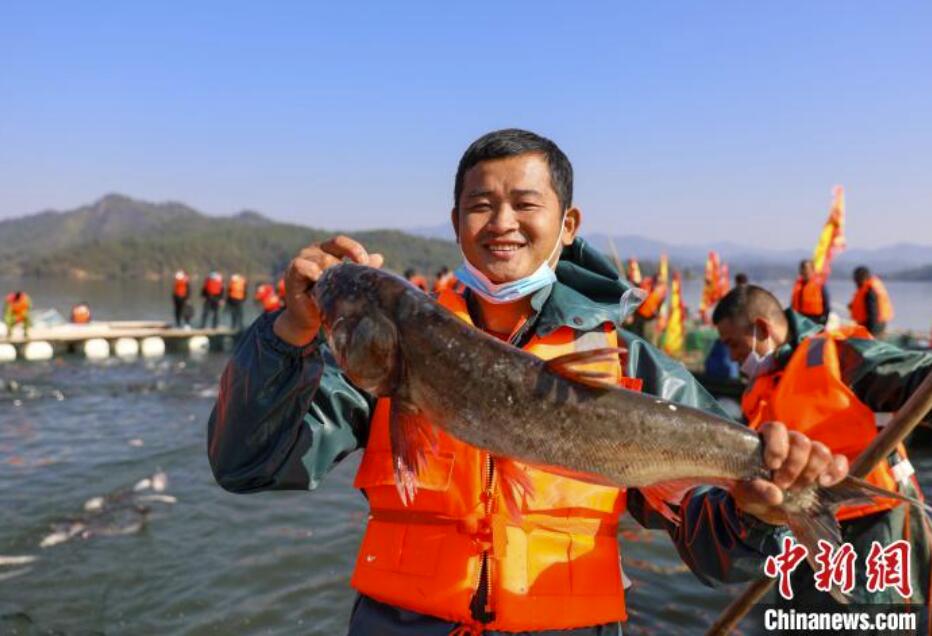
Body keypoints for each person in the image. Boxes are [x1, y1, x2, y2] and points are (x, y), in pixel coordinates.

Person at [208, 129, 850, 635]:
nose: (501, 222)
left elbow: (719, 556)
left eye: (525, 203)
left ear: (568, 225)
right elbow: (246, 465)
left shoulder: (632, 368)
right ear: (456, 221)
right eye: (480, 206)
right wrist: (289, 335)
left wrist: (758, 511)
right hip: (403, 626)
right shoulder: (379, 366)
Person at [713, 284, 931, 610]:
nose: (732, 357)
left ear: (761, 328)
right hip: (800, 535)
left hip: (872, 527)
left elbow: (910, 376)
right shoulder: (759, 390)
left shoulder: (838, 353)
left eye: (733, 344)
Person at [849, 266, 894, 336]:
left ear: (861, 277)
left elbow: (873, 312)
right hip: (877, 324)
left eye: (856, 277)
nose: (855, 280)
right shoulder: (868, 287)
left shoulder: (869, 290)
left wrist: (870, 332)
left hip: (873, 326)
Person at [790, 259, 830, 325]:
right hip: (800, 319)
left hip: (816, 320)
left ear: (813, 271)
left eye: (807, 271)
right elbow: (792, 305)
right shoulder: (798, 286)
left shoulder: (820, 285)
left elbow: (827, 305)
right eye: (802, 271)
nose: (805, 273)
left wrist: (824, 321)